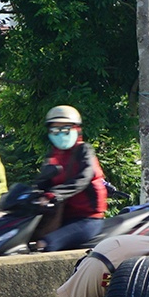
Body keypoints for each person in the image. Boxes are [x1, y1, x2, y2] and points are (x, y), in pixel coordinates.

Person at [34, 104, 108, 252]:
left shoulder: (84, 151)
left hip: (88, 219)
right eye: (55, 130)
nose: (60, 134)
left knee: (45, 244)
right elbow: (43, 181)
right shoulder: (53, 156)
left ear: (77, 129)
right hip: (62, 217)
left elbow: (83, 178)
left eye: (65, 129)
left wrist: (53, 194)